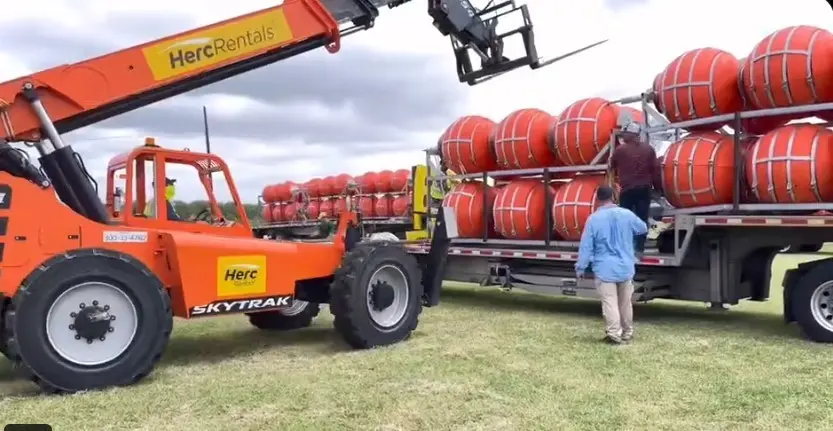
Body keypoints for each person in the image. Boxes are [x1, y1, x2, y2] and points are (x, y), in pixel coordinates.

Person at [575, 186, 648, 345]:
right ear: (614, 197)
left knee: (610, 302)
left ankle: (614, 333)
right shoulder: (627, 214)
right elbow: (643, 228)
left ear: (597, 199)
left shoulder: (594, 219)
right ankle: (627, 332)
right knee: (625, 302)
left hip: (605, 268)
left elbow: (586, 246)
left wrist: (581, 267)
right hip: (626, 266)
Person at [609, 122, 660, 257]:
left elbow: (611, 165)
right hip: (644, 188)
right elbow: (655, 170)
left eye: (625, 133)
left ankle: (625, 247)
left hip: (627, 189)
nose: (623, 135)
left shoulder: (620, 150)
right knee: (642, 218)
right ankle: (639, 249)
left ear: (631, 134)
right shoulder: (649, 149)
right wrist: (658, 189)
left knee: (625, 219)